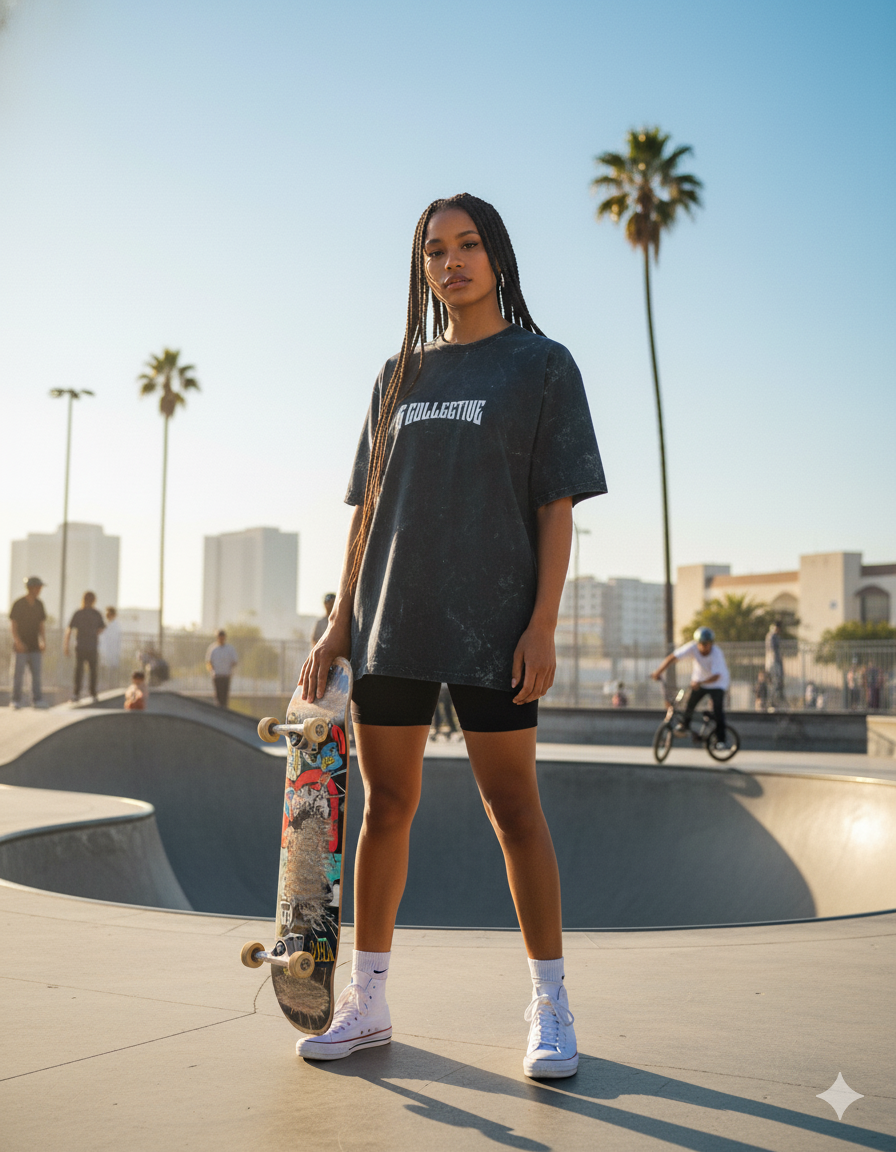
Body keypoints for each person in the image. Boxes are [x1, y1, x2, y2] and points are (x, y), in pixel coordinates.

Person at [294, 194, 606, 1078]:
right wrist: (338, 623)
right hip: (392, 620)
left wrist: (541, 623)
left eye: (468, 245)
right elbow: (366, 514)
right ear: (421, 267)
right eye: (435, 251)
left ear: (497, 255)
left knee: (514, 810)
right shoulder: (398, 375)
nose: (451, 262)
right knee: (386, 806)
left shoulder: (542, 365)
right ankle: (367, 1001)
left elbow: (555, 507)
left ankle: (551, 1003)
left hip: (495, 625)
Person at [651, 627, 730, 748]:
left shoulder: (716, 653)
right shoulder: (692, 647)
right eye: (702, 644)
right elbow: (672, 658)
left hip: (717, 683)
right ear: (697, 643)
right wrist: (658, 672)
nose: (705, 647)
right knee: (689, 703)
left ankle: (721, 740)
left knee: (718, 709)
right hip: (699, 681)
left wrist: (700, 683)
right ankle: (685, 726)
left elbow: (716, 676)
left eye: (708, 644)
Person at [9, 576, 49, 709]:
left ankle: (37, 700)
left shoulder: (39, 604)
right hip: (20, 646)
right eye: (38, 587)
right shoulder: (19, 604)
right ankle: (16, 700)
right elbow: (13, 625)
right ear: (31, 588)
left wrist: (43, 641)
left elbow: (41, 625)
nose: (39, 590)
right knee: (18, 675)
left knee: (36, 675)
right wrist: (18, 642)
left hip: (34, 645)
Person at [64, 591, 105, 703]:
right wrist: (94, 632)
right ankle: (85, 693)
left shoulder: (83, 613)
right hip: (87, 646)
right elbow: (101, 628)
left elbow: (69, 630)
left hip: (85, 646)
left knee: (86, 670)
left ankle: (83, 693)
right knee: (84, 670)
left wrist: (66, 645)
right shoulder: (92, 613)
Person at [205, 630, 239, 707]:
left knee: (224, 695)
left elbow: (234, 661)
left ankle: (224, 708)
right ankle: (218, 709)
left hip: (226, 675)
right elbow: (209, 662)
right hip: (217, 675)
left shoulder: (230, 649)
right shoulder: (213, 649)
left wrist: (231, 671)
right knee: (218, 695)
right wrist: (212, 672)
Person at [99, 606, 122, 688]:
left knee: (112, 669)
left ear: (113, 615)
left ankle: (112, 686)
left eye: (109, 614)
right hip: (104, 651)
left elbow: (115, 640)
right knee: (103, 669)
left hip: (112, 651)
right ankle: (104, 685)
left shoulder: (115, 626)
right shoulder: (106, 624)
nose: (107, 616)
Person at [764, 620, 785, 709]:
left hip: (776, 662)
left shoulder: (776, 636)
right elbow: (772, 650)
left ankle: (774, 702)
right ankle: (771, 703)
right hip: (773, 662)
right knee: (773, 683)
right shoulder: (771, 636)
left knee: (777, 683)